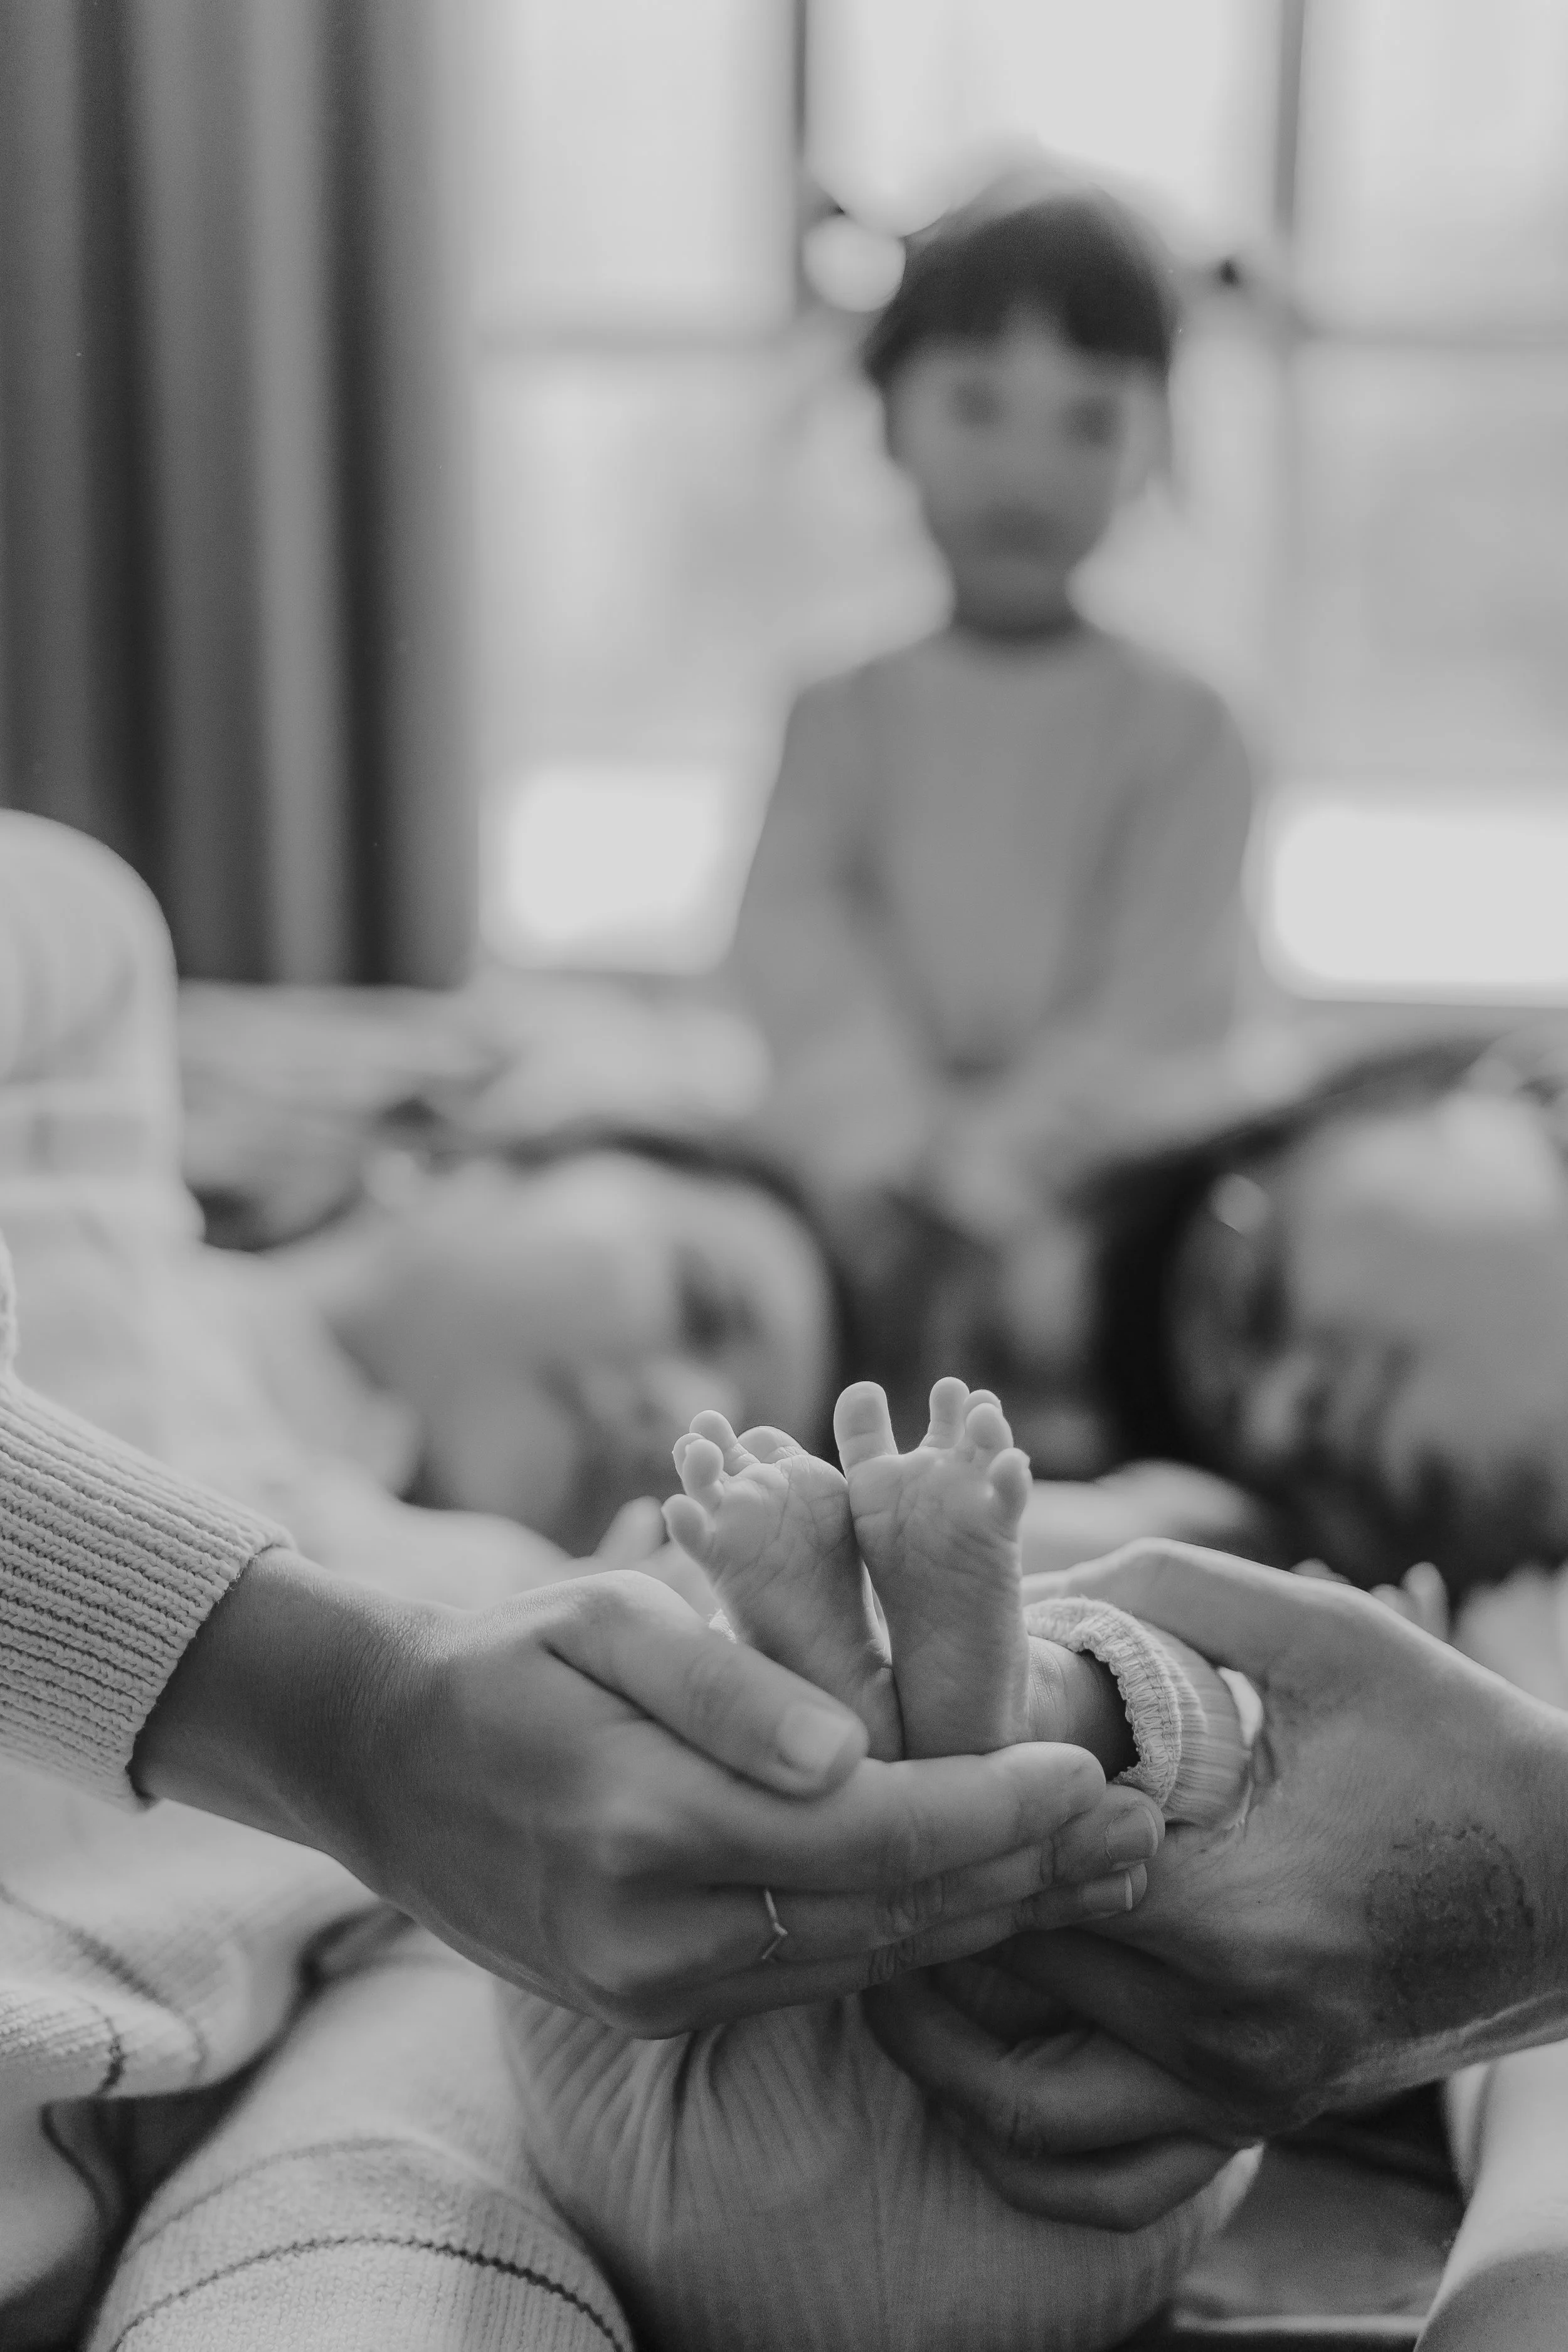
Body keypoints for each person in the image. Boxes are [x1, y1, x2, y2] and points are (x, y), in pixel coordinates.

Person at [0, 810, 1158, 2343]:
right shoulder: (69, 1066)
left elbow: (381, 2181)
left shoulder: (514, 1761)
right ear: (470, 1157)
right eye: (700, 1300)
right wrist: (309, 1705)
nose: (678, 1407)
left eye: (739, 1432)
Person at [731, 163, 1255, 1452]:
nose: (1027, 465)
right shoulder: (837, 708)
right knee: (755, 1293)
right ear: (890, 418)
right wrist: (899, 1156)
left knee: (1092, 1312)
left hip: (1094, 1183)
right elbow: (797, 953)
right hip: (869, 1169)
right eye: (976, 404)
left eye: (1088, 419)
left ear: (1153, 445)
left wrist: (993, 1175)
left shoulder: (1189, 728)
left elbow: (1161, 1007)